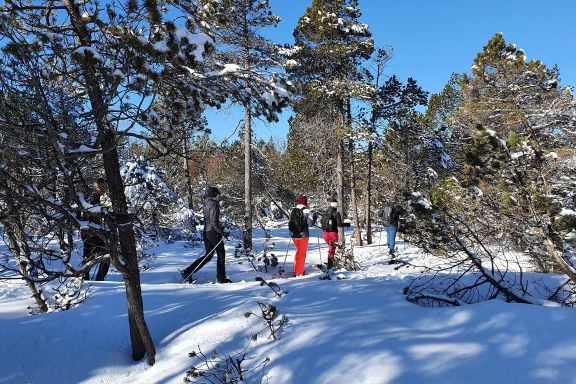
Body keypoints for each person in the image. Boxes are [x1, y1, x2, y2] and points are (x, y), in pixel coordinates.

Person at [180, 187, 231, 283]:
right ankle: (221, 279)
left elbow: (209, 220)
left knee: (208, 256)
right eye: (218, 194)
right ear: (215, 194)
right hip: (212, 232)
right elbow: (213, 221)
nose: (219, 196)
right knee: (221, 254)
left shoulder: (206, 203)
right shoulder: (214, 204)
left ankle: (188, 271)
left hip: (206, 232)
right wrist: (221, 232)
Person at [81, 177, 110, 281]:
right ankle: (98, 279)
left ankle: (87, 278)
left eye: (103, 186)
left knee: (89, 256)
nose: (102, 188)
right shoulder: (94, 197)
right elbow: (94, 212)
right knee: (105, 255)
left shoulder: (91, 196)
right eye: (100, 186)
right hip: (93, 232)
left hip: (89, 232)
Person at [288, 195, 312, 277]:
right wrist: (314, 217)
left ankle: (297, 268)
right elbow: (310, 223)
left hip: (294, 235)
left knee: (298, 251)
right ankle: (299, 272)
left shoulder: (293, 210)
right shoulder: (306, 210)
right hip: (303, 235)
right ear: (305, 202)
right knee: (302, 253)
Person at [320, 197, 343, 273]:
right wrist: (347, 224)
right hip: (333, 234)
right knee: (332, 250)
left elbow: (321, 222)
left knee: (330, 249)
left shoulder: (325, 212)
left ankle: (330, 263)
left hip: (325, 233)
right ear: (336, 205)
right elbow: (340, 225)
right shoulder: (336, 213)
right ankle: (330, 266)